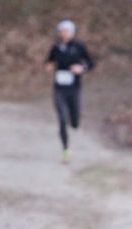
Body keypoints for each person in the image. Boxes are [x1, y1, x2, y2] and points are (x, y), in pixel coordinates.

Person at [45, 20, 94, 164]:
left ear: (72, 32)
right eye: (61, 31)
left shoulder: (79, 47)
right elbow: (49, 61)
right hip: (59, 89)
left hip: (74, 88)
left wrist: (81, 68)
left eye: (66, 31)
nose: (63, 34)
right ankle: (66, 149)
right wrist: (49, 66)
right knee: (61, 118)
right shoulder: (56, 47)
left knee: (74, 121)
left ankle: (74, 122)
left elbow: (91, 63)